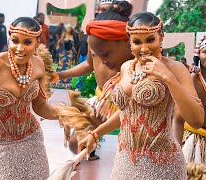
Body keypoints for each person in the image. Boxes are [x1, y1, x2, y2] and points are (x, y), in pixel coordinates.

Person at [78, 12, 205, 179]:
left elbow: (196, 120)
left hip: (163, 165)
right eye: (137, 42)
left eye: (150, 40)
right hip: (125, 163)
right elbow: (126, 113)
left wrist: (167, 77)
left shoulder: (176, 69)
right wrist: (95, 134)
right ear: (130, 42)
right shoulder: (126, 68)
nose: (144, 48)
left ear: (161, 36)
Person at [0, 17, 60, 180]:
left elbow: (40, 107)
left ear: (37, 43)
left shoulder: (38, 65)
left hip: (31, 136)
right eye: (14, 41)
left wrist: (65, 113)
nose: (19, 48)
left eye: (27, 43)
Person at [53, 1, 133, 159]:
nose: (102, 60)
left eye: (106, 54)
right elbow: (89, 64)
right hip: (103, 99)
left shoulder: (134, 55)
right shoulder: (96, 41)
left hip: (126, 103)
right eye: (98, 53)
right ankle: (91, 148)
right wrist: (61, 75)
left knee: (129, 152)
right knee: (76, 144)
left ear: (127, 43)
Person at [173, 36, 206, 178]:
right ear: (198, 55)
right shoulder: (191, 80)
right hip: (194, 142)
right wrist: (176, 154)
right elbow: (178, 120)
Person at [51, 24, 76, 89]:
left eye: (69, 28)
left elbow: (74, 45)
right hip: (62, 53)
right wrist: (57, 50)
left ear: (71, 29)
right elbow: (59, 43)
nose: (68, 29)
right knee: (61, 66)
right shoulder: (63, 35)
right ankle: (58, 80)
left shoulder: (73, 36)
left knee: (68, 67)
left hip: (69, 54)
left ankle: (66, 82)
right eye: (67, 28)